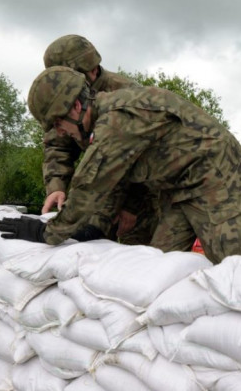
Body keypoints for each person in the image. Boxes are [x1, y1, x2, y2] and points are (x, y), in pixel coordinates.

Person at [0, 67, 241, 263]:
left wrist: (46, 233)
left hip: (217, 180)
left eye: (57, 123)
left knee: (234, 269)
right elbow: (115, 181)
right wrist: (93, 226)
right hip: (178, 188)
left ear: (76, 106)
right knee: (159, 265)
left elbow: (89, 186)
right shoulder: (105, 120)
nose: (60, 132)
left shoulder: (115, 123)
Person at [40, 34, 155, 244]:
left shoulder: (129, 95)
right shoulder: (62, 96)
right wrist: (56, 186)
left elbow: (147, 155)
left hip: (140, 192)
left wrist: (131, 206)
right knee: (86, 246)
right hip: (97, 190)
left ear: (92, 70)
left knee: (136, 255)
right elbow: (58, 145)